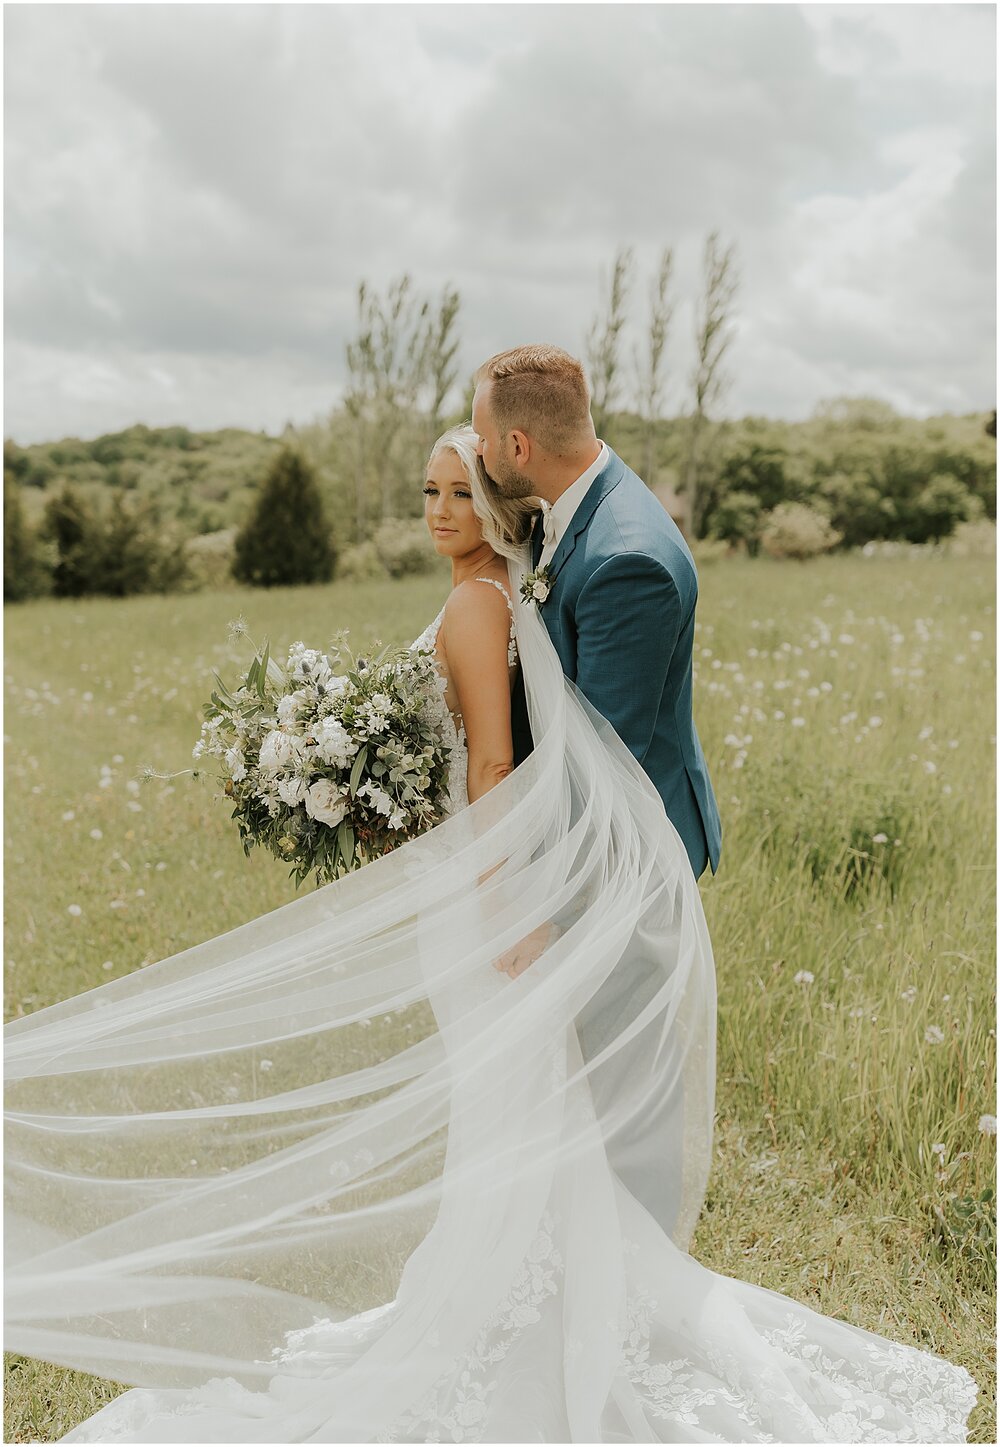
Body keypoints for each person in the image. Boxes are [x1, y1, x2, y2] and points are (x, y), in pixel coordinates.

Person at [5, 421, 977, 1444]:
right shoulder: (503, 596)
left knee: (511, 1114)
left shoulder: (478, 605)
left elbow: (493, 769)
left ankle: (528, 1313)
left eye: (459, 495)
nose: (437, 512)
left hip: (484, 900)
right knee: (513, 1113)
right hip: (479, 885)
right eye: (427, 492)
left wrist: (500, 902)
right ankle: (534, 1288)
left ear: (498, 506)